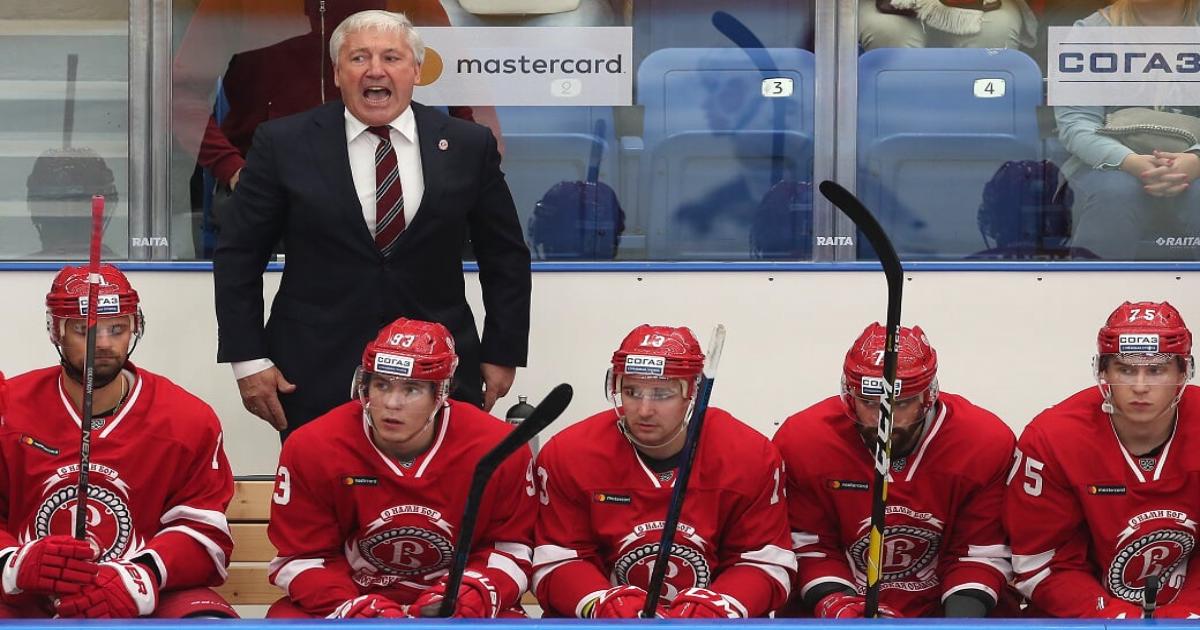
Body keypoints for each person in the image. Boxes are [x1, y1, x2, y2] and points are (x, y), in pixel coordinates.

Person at [213, 10, 531, 437]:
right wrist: (248, 360)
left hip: (438, 370)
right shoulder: (282, 143)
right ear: (337, 73)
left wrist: (501, 351)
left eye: (392, 57)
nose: (375, 70)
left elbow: (505, 256)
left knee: (438, 479)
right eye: (359, 57)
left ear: (417, 71)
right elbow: (239, 255)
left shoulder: (467, 144)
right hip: (313, 369)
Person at [0, 264, 236, 619]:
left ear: (136, 327)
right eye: (84, 330)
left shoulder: (187, 418)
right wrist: (12, 562)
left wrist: (143, 574)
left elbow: (205, 530)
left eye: (117, 328)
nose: (103, 343)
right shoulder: (8, 408)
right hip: (25, 594)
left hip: (143, 597)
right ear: (55, 331)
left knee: (208, 623)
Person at [265, 317, 535, 618]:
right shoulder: (313, 446)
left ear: (441, 392)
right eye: (381, 385)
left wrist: (471, 593)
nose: (392, 403)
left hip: (456, 602)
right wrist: (351, 607)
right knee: (284, 621)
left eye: (412, 389)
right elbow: (303, 557)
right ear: (363, 385)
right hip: (353, 598)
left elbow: (510, 551)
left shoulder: (499, 447)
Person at [532, 324, 795, 618]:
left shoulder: (749, 456)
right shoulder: (570, 454)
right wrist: (602, 605)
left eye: (662, 393)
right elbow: (559, 558)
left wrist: (718, 608)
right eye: (631, 391)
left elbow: (763, 561)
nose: (644, 410)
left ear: (693, 393)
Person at [773, 323, 1016, 618]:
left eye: (900, 404)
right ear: (849, 395)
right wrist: (840, 605)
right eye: (868, 402)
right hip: (836, 612)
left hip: (942, 609)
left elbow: (979, 550)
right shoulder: (804, 441)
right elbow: (810, 545)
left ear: (928, 397)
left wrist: (957, 624)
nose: (883, 420)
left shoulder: (982, 442)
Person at [1006, 301, 1200, 618]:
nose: (1140, 386)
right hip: (1085, 617)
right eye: (1125, 369)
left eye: (1156, 370)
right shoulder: (1052, 438)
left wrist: (1186, 616)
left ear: (1183, 372)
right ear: (1103, 372)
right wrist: (1116, 619)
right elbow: (1041, 563)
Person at [1054, 0, 1200, 260]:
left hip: (1192, 163)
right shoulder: (1090, 32)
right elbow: (1077, 123)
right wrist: (1129, 161)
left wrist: (1196, 160)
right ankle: (1091, 286)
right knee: (1115, 193)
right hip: (1106, 166)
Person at [860, 0, 1038, 50]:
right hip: (889, 4)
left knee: (996, 32)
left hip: (986, 4)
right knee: (887, 32)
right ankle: (902, 124)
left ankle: (981, 123)